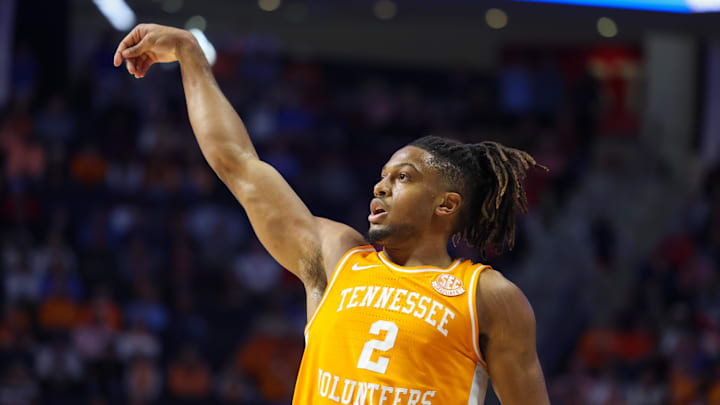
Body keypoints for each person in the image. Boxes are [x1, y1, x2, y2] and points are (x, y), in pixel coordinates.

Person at [113, 23, 551, 404]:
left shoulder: (487, 297)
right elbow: (238, 163)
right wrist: (190, 54)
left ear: (446, 204)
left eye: (404, 177)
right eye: (382, 175)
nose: (381, 186)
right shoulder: (337, 258)